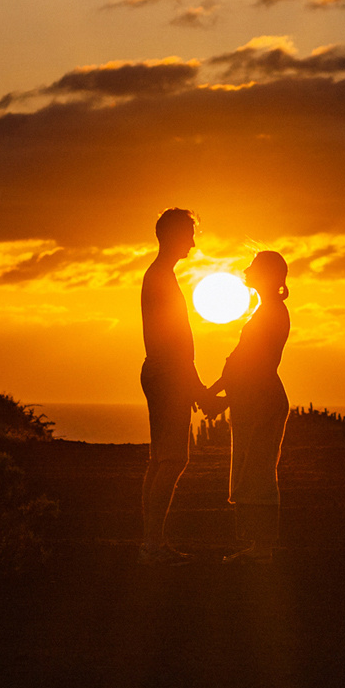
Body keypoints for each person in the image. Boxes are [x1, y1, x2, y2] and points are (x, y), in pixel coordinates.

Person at [207, 250, 291, 563]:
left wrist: (216, 395)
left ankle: (263, 548)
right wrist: (219, 394)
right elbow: (241, 362)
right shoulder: (265, 310)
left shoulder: (271, 312)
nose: (246, 270)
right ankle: (257, 546)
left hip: (262, 401)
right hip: (251, 399)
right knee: (248, 471)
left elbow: (251, 363)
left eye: (254, 267)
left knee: (258, 472)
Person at [138, 208, 208, 564]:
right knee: (171, 458)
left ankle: (151, 542)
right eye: (189, 234)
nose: (193, 243)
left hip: (165, 372)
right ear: (172, 235)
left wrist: (193, 384)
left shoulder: (160, 275)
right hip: (167, 373)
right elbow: (174, 340)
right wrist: (191, 384)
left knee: (161, 460)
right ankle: (152, 545)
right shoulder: (160, 277)